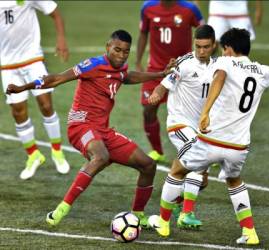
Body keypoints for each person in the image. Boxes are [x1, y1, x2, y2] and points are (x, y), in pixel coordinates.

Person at [6, 30, 175, 228]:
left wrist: (160, 74)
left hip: (103, 130)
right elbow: (56, 79)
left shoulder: (121, 68)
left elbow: (127, 76)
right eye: (117, 50)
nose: (121, 55)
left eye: (125, 52)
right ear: (107, 47)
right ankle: (62, 208)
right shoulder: (93, 65)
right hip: (81, 125)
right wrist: (22, 88)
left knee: (148, 165)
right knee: (101, 156)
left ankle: (138, 215)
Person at [148, 28, 269, 245]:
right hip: (238, 147)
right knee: (235, 181)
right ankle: (250, 232)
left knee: (177, 169)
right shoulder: (261, 71)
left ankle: (162, 223)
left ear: (227, 48)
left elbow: (219, 77)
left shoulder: (225, 63)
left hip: (211, 140)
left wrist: (205, 112)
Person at [148, 24, 217, 229]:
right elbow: (165, 84)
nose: (201, 51)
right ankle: (184, 214)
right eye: (198, 47)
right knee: (196, 153)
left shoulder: (220, 66)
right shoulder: (185, 63)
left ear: (214, 45)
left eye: (206, 47)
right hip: (179, 123)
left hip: (200, 127)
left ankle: (177, 204)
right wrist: (156, 94)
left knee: (201, 180)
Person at [0, 1, 70, 180]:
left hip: (32, 60)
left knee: (46, 105)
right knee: (18, 111)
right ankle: (33, 155)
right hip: (8, 65)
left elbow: (55, 13)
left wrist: (61, 40)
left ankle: (57, 151)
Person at [136, 0, 205, 163]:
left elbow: (205, 34)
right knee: (148, 110)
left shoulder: (190, 9)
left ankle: (207, 149)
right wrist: (138, 61)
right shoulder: (148, 8)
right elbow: (143, 33)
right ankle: (157, 151)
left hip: (184, 70)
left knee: (196, 113)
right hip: (155, 70)